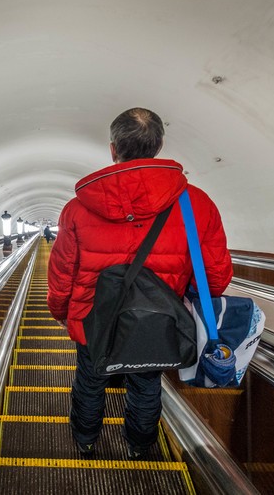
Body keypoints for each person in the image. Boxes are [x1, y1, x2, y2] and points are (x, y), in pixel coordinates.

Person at [47, 107, 232, 459]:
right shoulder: (197, 205)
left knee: (90, 379)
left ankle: (85, 439)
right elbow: (216, 275)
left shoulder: (77, 208)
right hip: (158, 319)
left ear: (114, 149)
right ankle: (139, 445)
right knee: (147, 384)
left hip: (93, 318)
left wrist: (60, 311)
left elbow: (62, 271)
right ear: (159, 145)